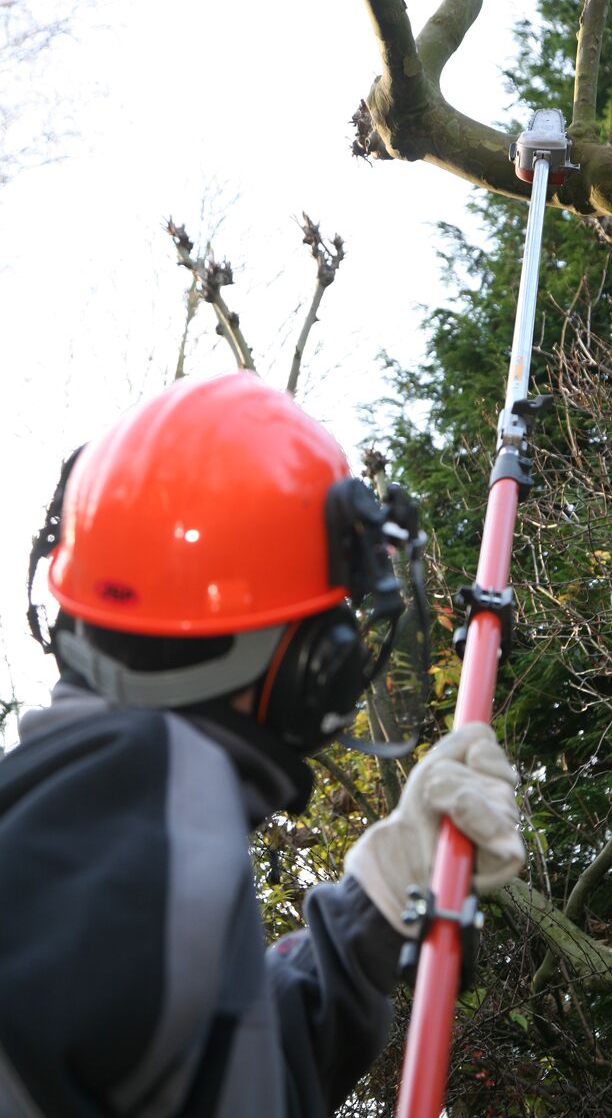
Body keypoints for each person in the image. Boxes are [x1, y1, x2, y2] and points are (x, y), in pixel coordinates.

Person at [0, 371, 525, 1117]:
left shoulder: (102, 822)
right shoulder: (146, 800)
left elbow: (225, 1072)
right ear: (307, 663)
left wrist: (369, 909)